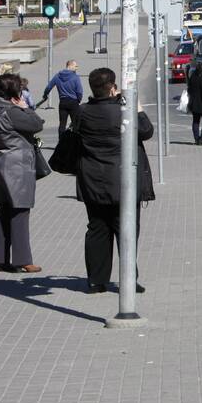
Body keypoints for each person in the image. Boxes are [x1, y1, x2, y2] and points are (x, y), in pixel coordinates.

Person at [75, 67, 155, 294]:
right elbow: (147, 131)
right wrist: (135, 106)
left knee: (97, 228)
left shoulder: (82, 112)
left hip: (93, 180)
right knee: (127, 229)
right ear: (112, 88)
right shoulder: (124, 111)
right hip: (123, 180)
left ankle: (96, 280)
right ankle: (129, 279)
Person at [0, 73, 45, 273]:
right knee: (20, 210)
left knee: (4, 210)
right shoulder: (12, 111)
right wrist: (26, 108)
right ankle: (23, 260)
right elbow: (37, 124)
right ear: (14, 92)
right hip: (16, 164)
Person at [42, 60, 84, 133]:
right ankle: (75, 142)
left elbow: (49, 87)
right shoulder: (75, 77)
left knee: (62, 124)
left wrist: (45, 95)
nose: (77, 68)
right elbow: (79, 91)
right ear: (69, 66)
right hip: (73, 102)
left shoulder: (57, 76)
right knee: (75, 124)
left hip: (63, 102)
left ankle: (61, 142)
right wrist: (78, 100)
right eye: (75, 66)